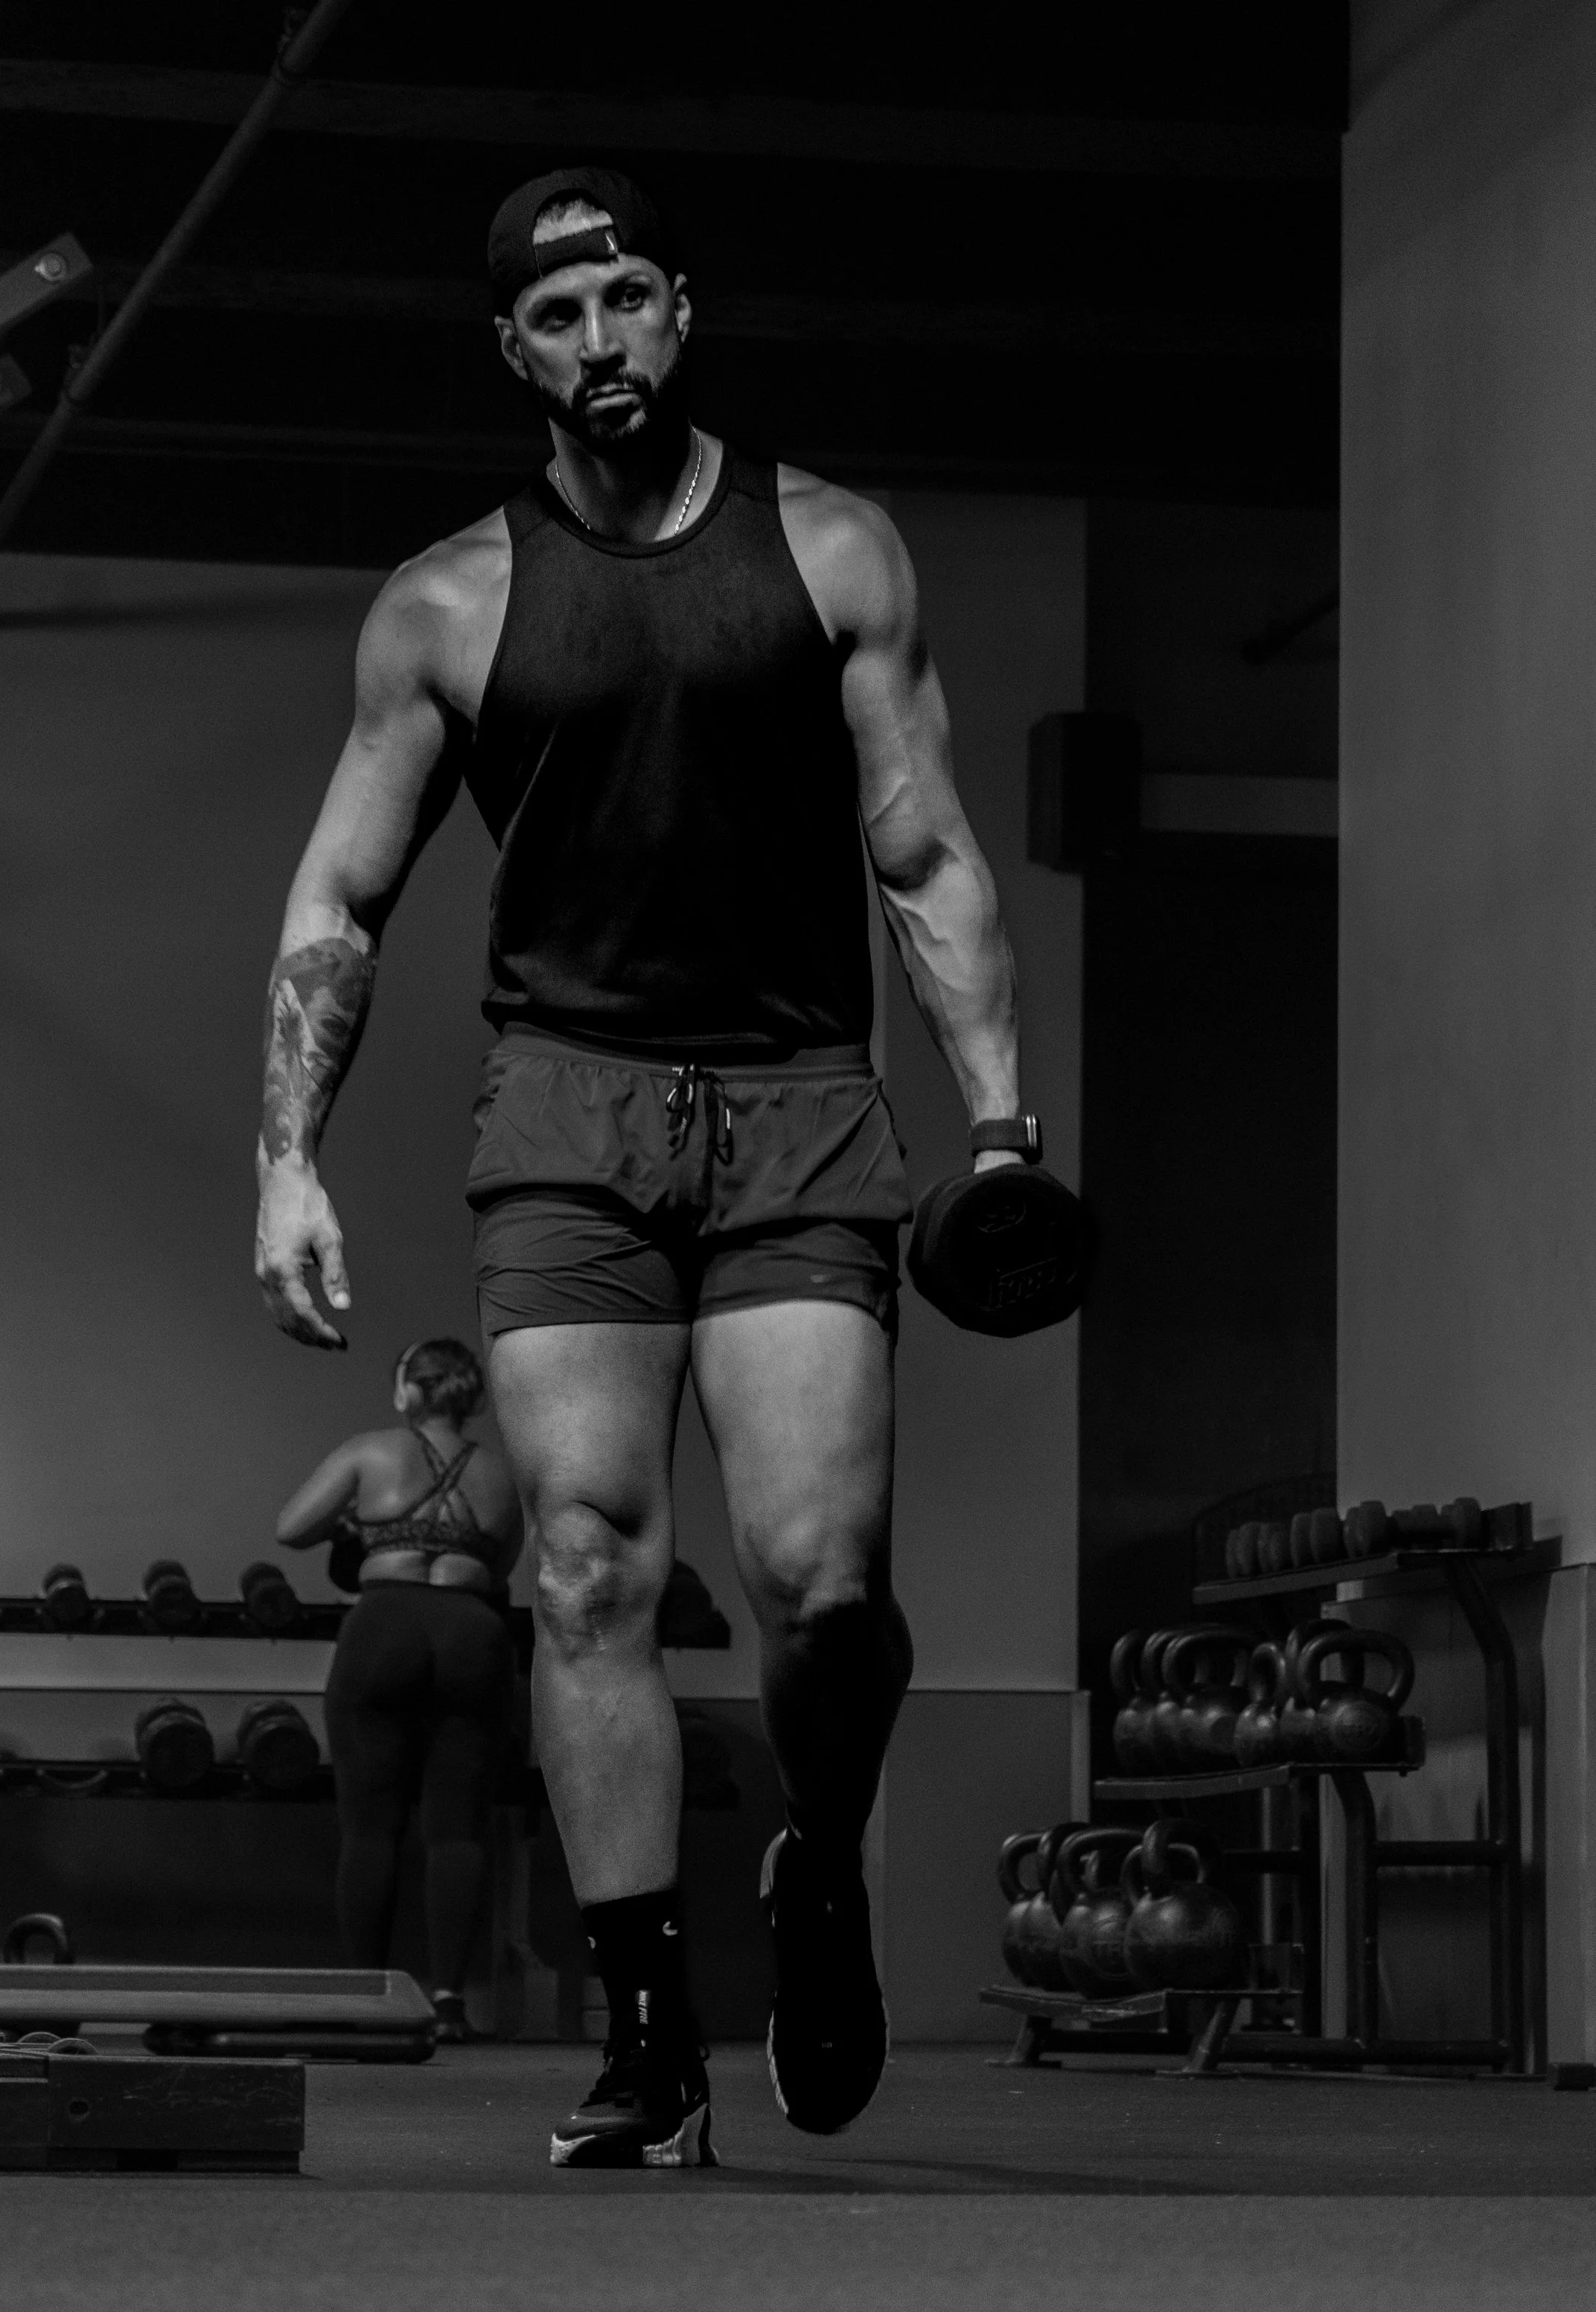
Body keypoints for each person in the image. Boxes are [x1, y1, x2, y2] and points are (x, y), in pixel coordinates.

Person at [255, 165, 1029, 2165]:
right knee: (585, 1560)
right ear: (508, 349)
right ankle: (647, 2040)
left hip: (795, 1099)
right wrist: (288, 1158)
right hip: (567, 1108)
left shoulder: (832, 549)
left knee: (820, 1584)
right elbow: (340, 888)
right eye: (554, 316)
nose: (599, 342)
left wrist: (1003, 1123)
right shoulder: (446, 602)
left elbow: (924, 849)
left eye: (625, 299)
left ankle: (822, 1867)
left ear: (678, 309)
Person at [276, 1336, 523, 2043]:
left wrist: (357, 1520)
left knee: (371, 1825)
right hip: (472, 1635)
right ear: (470, 1397)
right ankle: (447, 2002)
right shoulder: (503, 1475)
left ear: (409, 1391)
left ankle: (370, 2000)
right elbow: (502, 1566)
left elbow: (290, 1528)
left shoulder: (371, 1450)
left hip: (384, 1626)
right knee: (457, 1828)